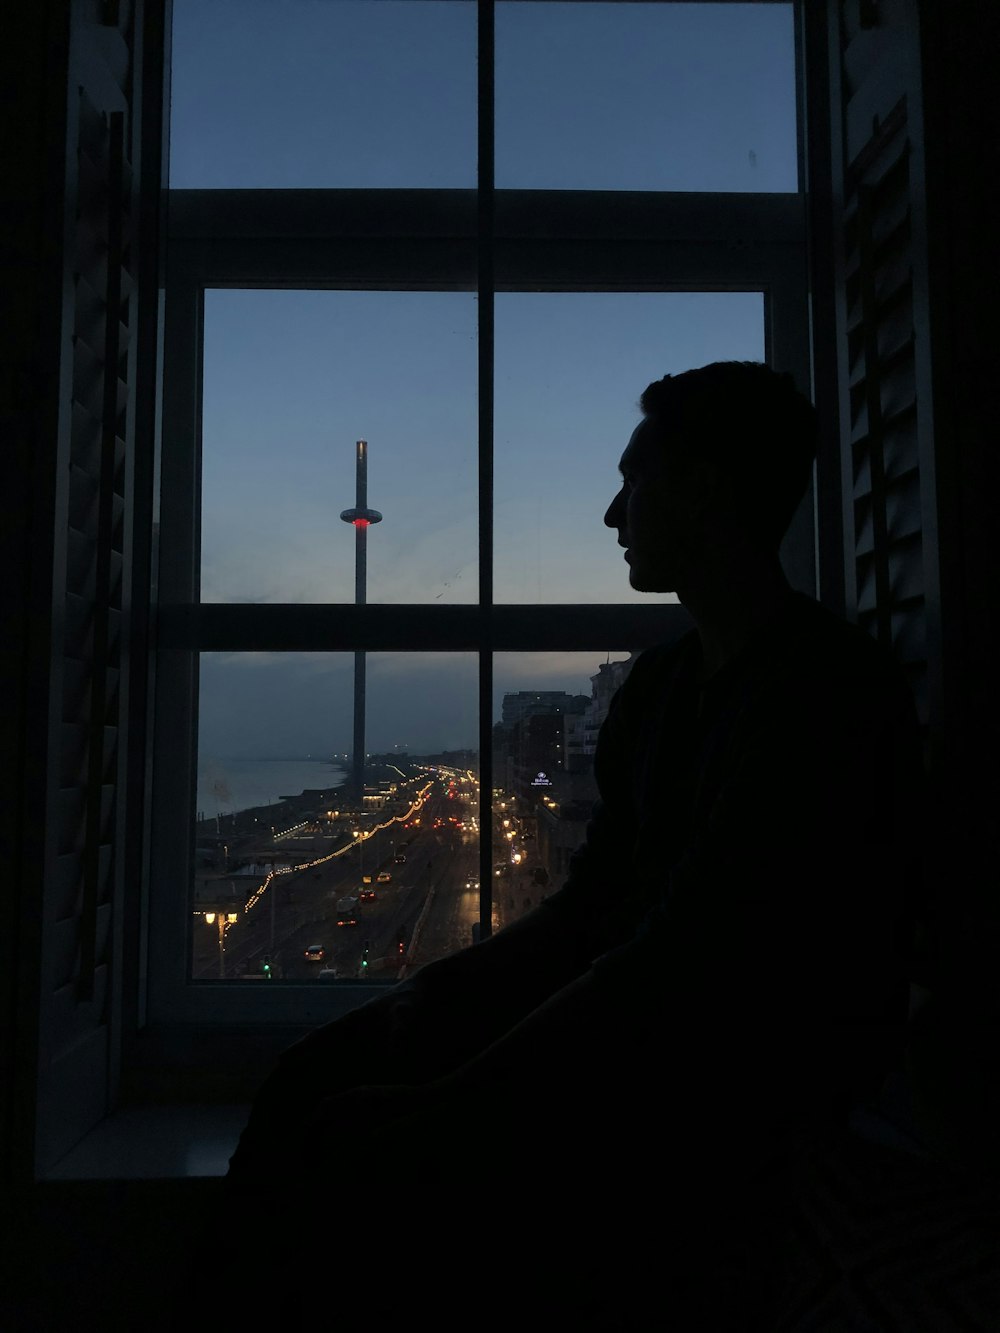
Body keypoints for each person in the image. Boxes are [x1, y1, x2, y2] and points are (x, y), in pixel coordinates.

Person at [205, 362, 924, 1330]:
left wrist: (456, 1093)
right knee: (316, 1073)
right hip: (649, 1030)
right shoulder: (662, 689)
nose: (610, 515)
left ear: (704, 488)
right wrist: (430, 993)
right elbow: (594, 905)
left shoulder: (827, 698)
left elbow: (686, 955)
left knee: (360, 1141)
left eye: (633, 480)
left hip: (736, 1074)